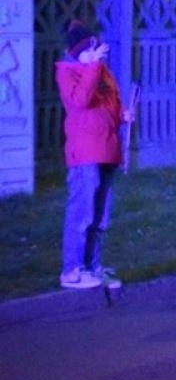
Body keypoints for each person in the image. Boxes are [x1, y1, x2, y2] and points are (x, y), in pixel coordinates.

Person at [56, 20, 132, 290]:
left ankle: (92, 265)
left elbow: (107, 105)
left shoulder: (99, 71)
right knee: (82, 211)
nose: (94, 54)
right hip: (85, 152)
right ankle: (71, 270)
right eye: (89, 50)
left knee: (101, 214)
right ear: (77, 53)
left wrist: (122, 115)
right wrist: (92, 66)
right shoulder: (69, 72)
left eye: (95, 49)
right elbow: (81, 101)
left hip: (107, 149)